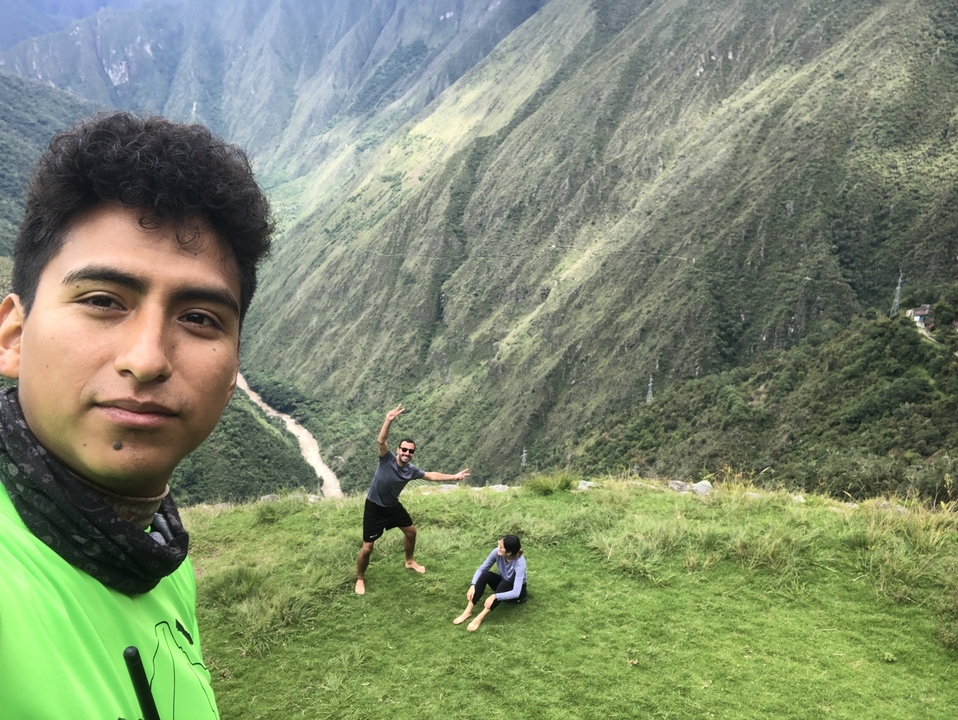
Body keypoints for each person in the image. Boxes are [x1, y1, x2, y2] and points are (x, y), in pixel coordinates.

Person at [0, 112, 274, 719]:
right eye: (102, 301)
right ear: (13, 337)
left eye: (200, 317)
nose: (147, 359)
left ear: (232, 376)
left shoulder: (159, 553)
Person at [355, 403, 470, 595]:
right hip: (374, 507)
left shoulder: (411, 470)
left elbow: (431, 475)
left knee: (411, 532)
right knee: (367, 548)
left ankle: (409, 561)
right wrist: (388, 420)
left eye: (411, 451)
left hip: (393, 507)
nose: (407, 453)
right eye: (404, 450)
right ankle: (360, 578)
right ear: (398, 450)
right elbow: (381, 441)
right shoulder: (386, 459)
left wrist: (454, 476)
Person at [454, 534, 527, 632]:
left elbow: (516, 592)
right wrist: (473, 585)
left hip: (516, 595)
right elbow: (481, 569)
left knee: (504, 584)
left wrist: (495, 596)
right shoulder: (496, 552)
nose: (498, 548)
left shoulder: (520, 563)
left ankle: (480, 617)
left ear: (509, 552)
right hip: (503, 582)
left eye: (501, 547)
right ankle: (468, 611)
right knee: (486, 574)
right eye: (498, 545)